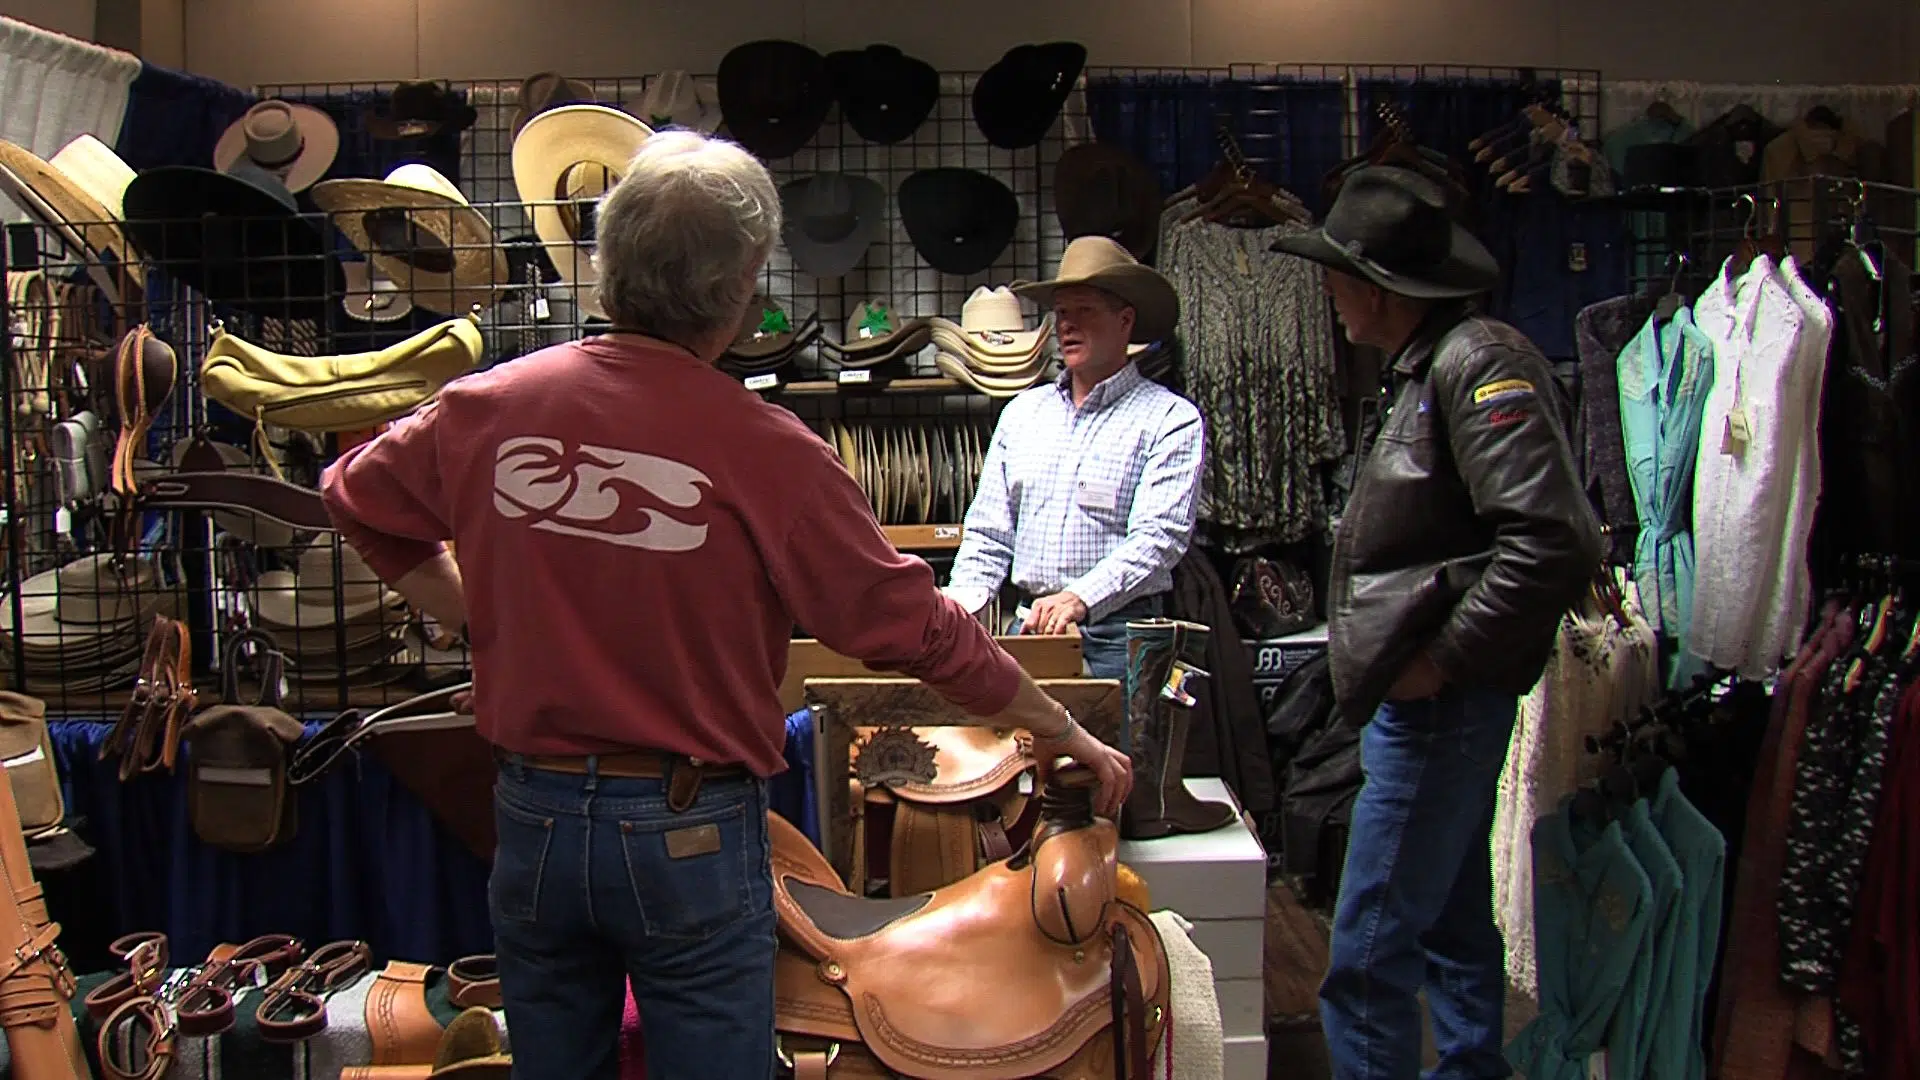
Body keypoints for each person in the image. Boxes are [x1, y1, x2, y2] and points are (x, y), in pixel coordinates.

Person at [319, 128, 1133, 1080]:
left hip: (532, 817)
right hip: (686, 831)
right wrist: (1056, 726)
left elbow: (357, 502)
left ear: (606, 260)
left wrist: (481, 619)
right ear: (742, 290)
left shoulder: (489, 405)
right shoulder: (768, 449)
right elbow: (917, 628)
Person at [1269, 166, 1601, 1080]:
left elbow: (1551, 543)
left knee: (1368, 956)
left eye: (1336, 273)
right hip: (1419, 704)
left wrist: (1446, 660)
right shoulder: (1430, 366)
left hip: (1437, 708)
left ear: (1375, 286)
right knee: (1452, 926)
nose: (1327, 291)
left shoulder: (1476, 362)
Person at [943, 236, 1204, 680]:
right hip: (1027, 630)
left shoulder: (1169, 419)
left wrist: (1080, 597)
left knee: (1118, 750)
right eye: (1062, 312)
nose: (1067, 325)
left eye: (1085, 311)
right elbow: (988, 533)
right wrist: (959, 608)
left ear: (1125, 321)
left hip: (1121, 635)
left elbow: (1159, 539)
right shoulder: (1023, 414)